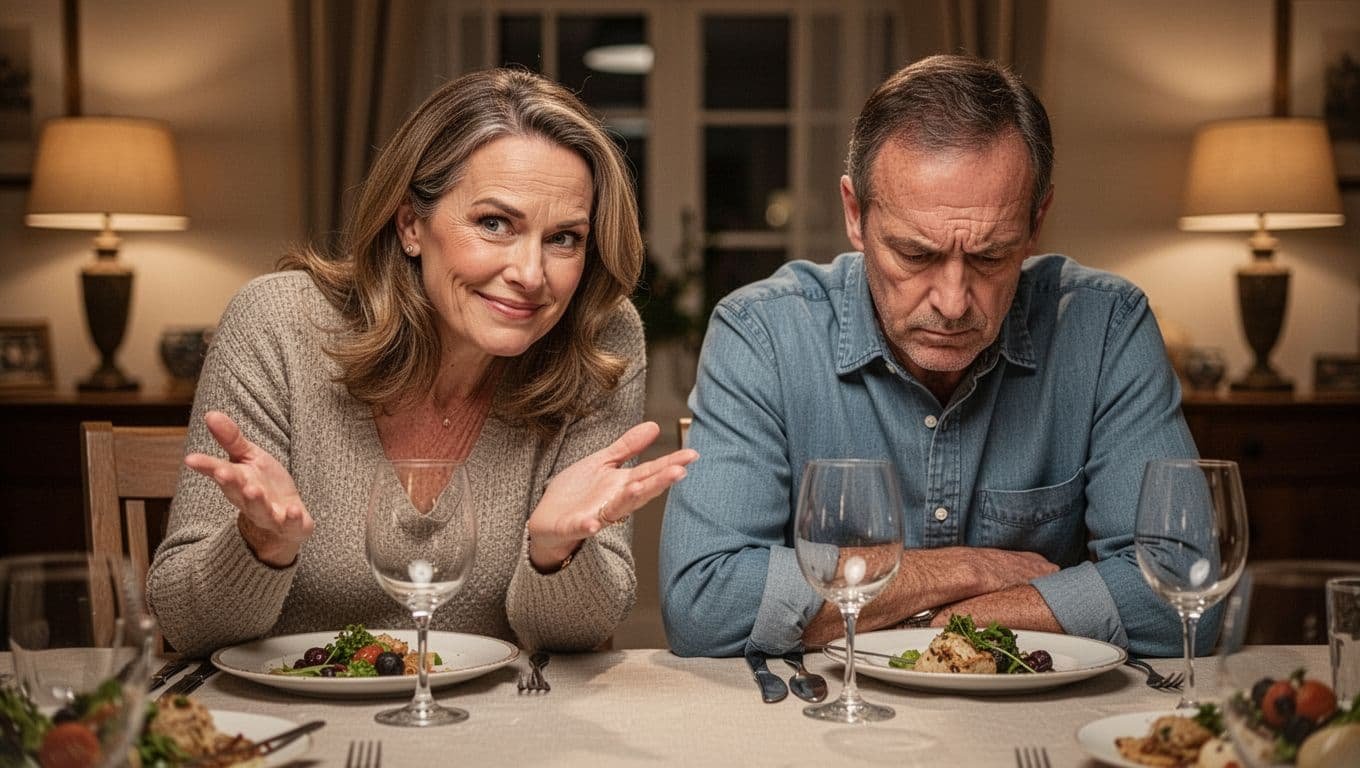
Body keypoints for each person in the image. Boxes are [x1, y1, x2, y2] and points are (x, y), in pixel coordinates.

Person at [659, 54, 1196, 659]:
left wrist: (936, 620)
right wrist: (965, 570)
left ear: (1037, 220)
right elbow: (705, 603)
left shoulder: (1106, 330)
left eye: (991, 257)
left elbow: (1187, 589)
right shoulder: (761, 334)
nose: (951, 301)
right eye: (914, 255)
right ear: (856, 214)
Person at [147, 68, 697, 656]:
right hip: (293, 727)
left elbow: (575, 639)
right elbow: (184, 624)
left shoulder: (599, 339)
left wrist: (555, 552)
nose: (531, 275)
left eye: (564, 238)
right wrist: (259, 544)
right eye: (495, 224)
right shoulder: (278, 324)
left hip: (497, 731)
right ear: (411, 224)